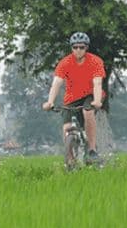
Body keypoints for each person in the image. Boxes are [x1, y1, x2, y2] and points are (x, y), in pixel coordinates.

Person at [42, 31, 106, 164]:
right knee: (66, 127)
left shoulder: (95, 61)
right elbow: (56, 83)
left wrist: (97, 100)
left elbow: (97, 83)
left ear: (86, 47)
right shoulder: (65, 63)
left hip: (91, 95)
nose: (78, 50)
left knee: (87, 112)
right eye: (75, 47)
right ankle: (70, 160)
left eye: (81, 47)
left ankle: (92, 150)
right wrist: (50, 102)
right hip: (72, 98)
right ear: (71, 48)